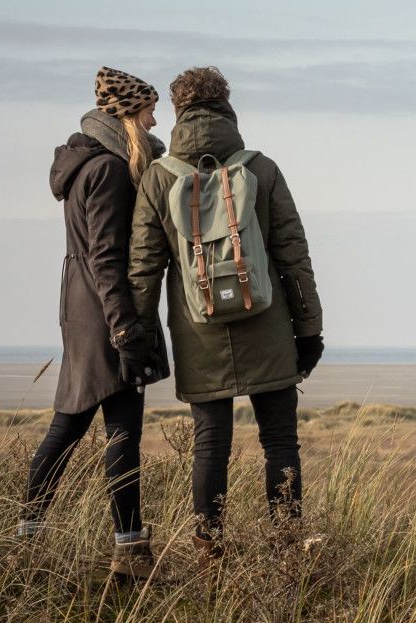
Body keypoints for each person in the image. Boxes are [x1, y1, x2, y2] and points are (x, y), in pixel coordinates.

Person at [128, 66, 325, 557]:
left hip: (199, 332)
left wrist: (140, 340)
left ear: (177, 110)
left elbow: (143, 269)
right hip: (270, 325)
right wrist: (309, 330)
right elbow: (293, 255)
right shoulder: (261, 169)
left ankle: (209, 555)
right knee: (280, 441)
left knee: (210, 445)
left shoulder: (158, 177)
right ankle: (284, 552)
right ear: (227, 105)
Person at [25, 66, 170, 580]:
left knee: (73, 425)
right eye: (149, 109)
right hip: (109, 314)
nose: (157, 118)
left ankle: (30, 538)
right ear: (127, 116)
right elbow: (108, 258)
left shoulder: (86, 164)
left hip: (85, 311)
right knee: (114, 433)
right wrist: (127, 330)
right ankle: (126, 553)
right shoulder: (108, 170)